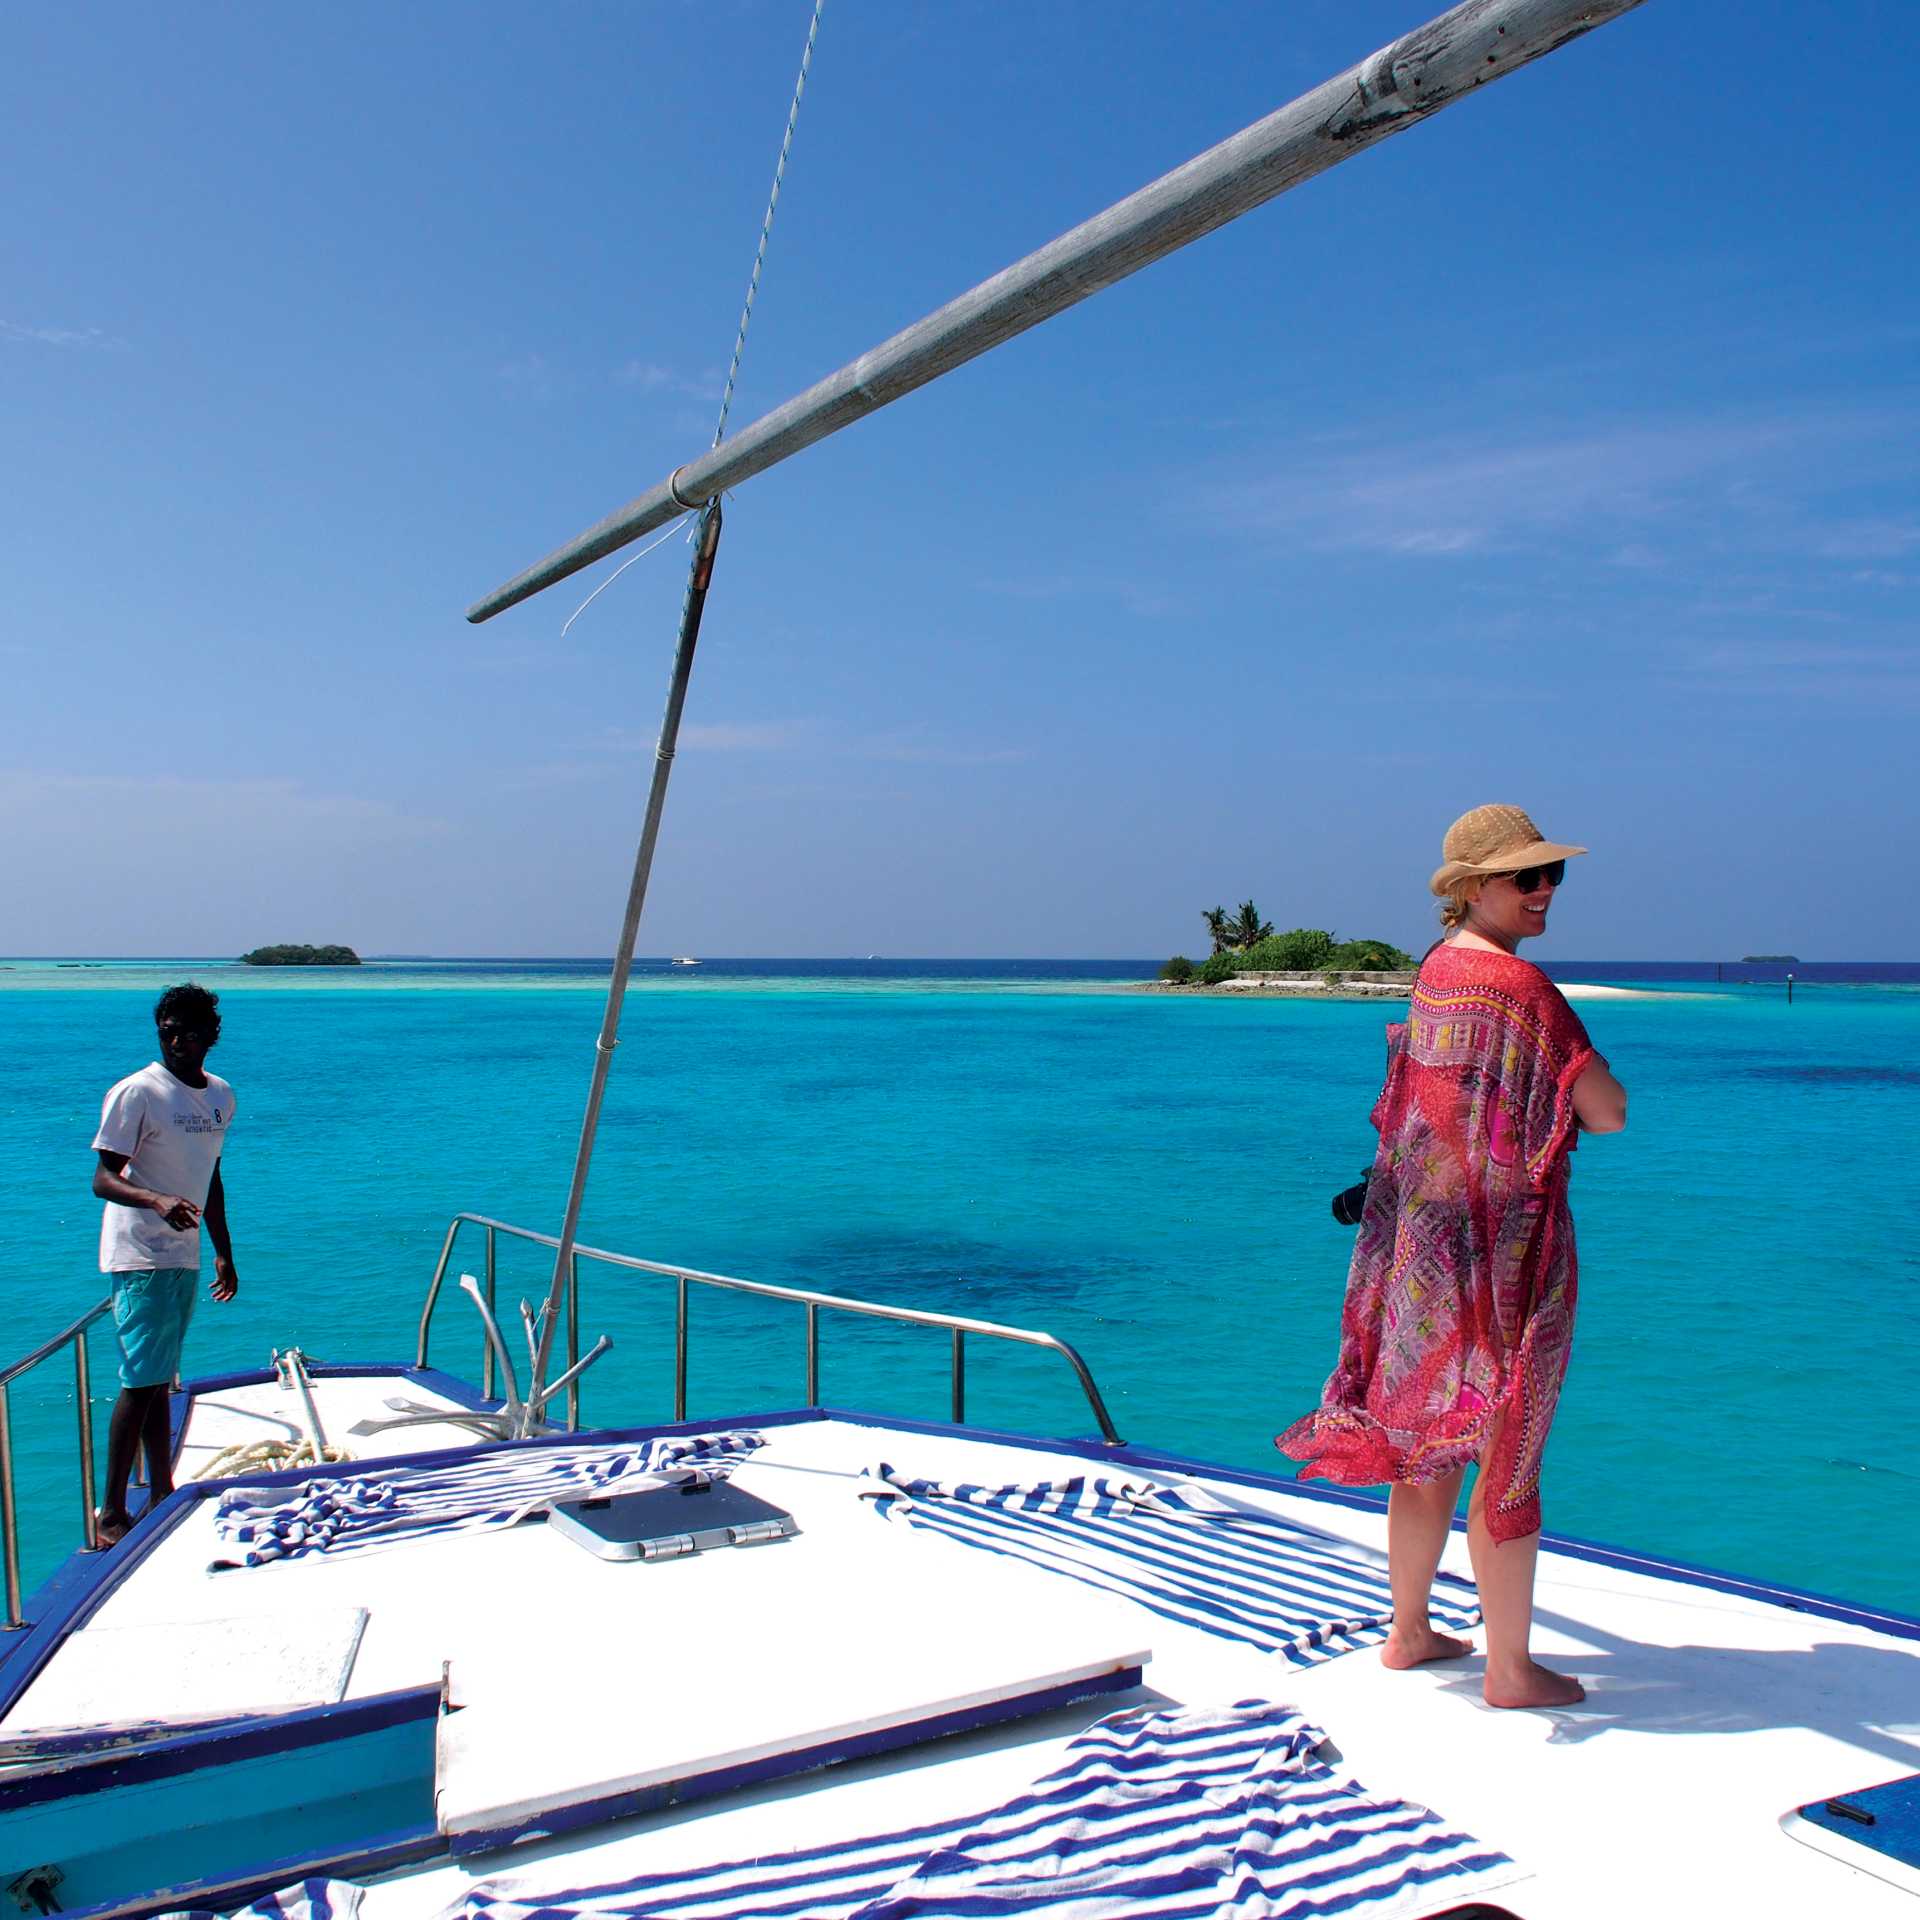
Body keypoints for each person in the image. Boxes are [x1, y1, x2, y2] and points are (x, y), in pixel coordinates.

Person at [1278, 805, 1627, 1709]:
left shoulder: (1436, 973)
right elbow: (1607, 1110)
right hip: (1508, 1255)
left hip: (1422, 1252)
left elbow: (1426, 1111)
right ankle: (1509, 1671)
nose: (1546, 891)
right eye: (1527, 877)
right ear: (1475, 887)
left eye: (1554, 875)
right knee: (1506, 1445)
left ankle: (1408, 1632)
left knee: (1423, 1436)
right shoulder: (1525, 990)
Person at [90, 983, 240, 1545]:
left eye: (189, 1031)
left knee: (158, 1377)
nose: (178, 1040)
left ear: (210, 1036)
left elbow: (211, 1176)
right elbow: (103, 1178)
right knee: (139, 1380)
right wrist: (155, 1200)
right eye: (168, 1031)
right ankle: (109, 1511)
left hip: (185, 1251)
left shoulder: (220, 1095)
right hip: (139, 1252)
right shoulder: (138, 1092)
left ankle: (161, 1487)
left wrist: (223, 1248)